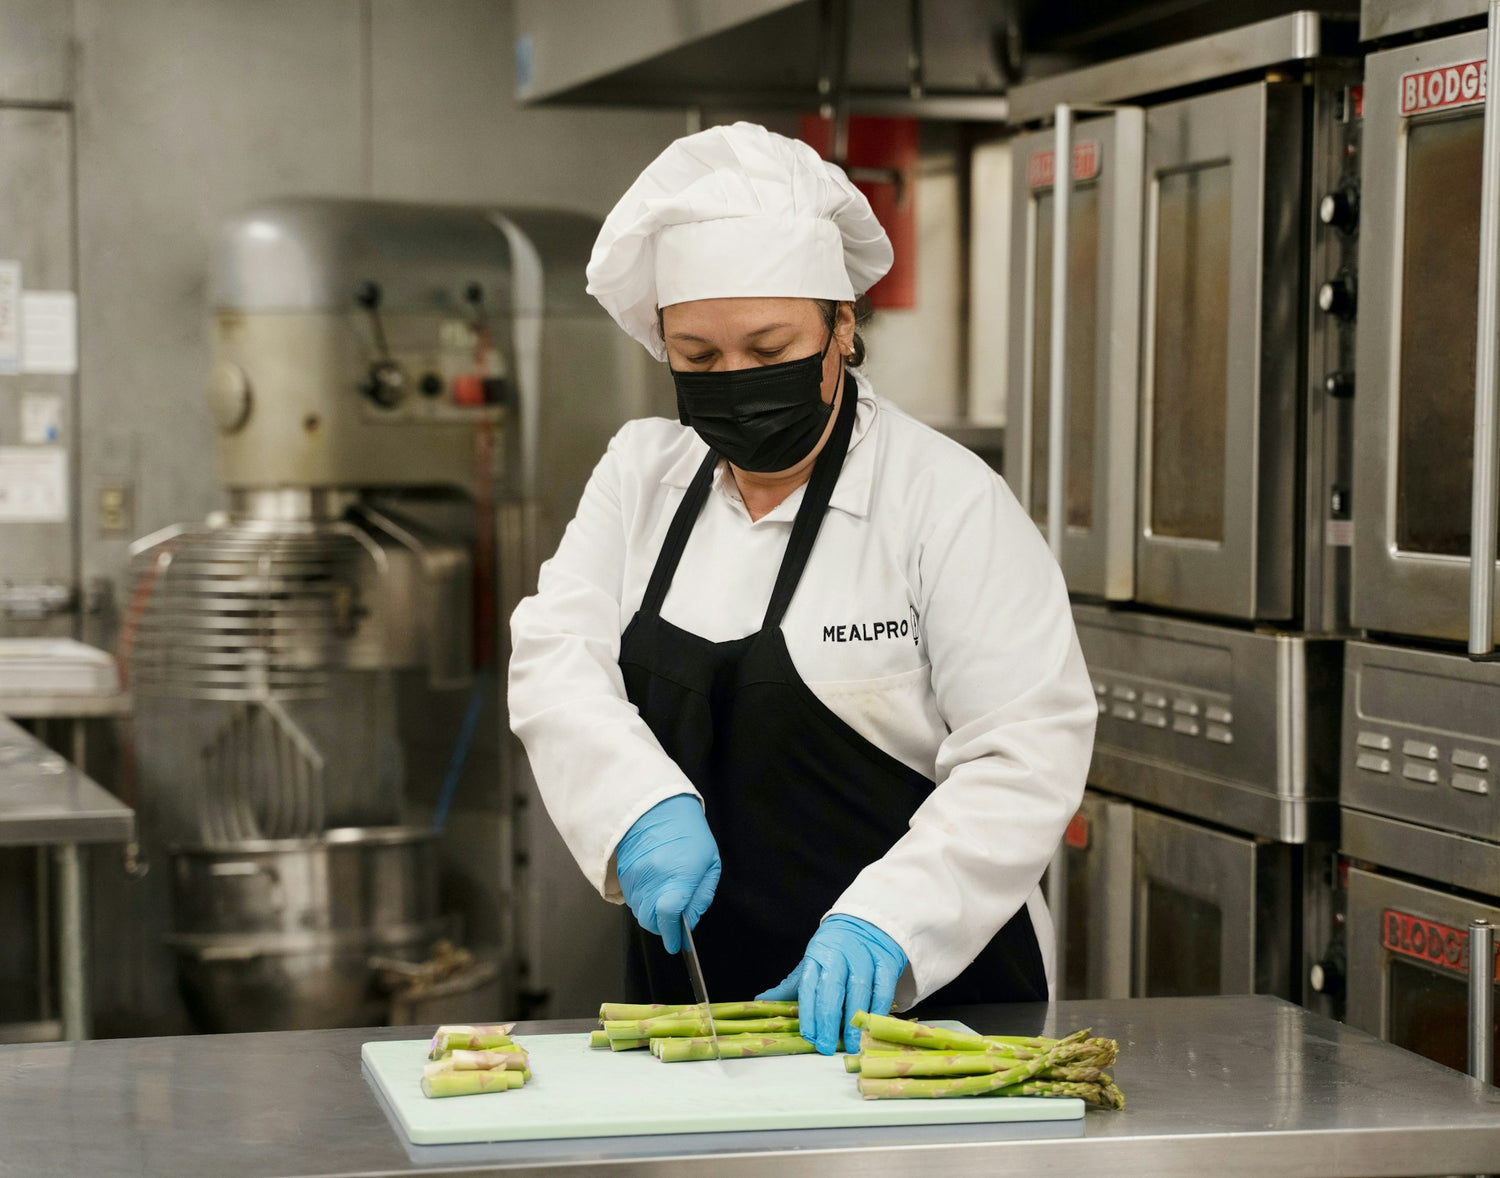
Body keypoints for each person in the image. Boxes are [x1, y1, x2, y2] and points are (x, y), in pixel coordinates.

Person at [507, 122, 1095, 1055]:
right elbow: (554, 656)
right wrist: (635, 805)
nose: (734, 382)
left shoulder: (943, 501)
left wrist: (889, 925)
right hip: (695, 1017)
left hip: (926, 1015)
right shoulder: (640, 475)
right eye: (697, 359)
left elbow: (1025, 754)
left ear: (842, 328)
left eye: (768, 345)